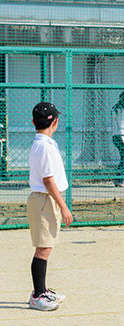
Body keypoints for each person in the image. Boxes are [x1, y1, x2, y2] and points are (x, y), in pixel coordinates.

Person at [27, 102, 73, 311]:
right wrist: (63, 206)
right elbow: (48, 180)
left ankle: (42, 290)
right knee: (43, 248)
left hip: (47, 199)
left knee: (46, 246)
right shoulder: (43, 146)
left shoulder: (45, 143)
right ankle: (37, 295)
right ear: (54, 122)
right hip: (45, 200)